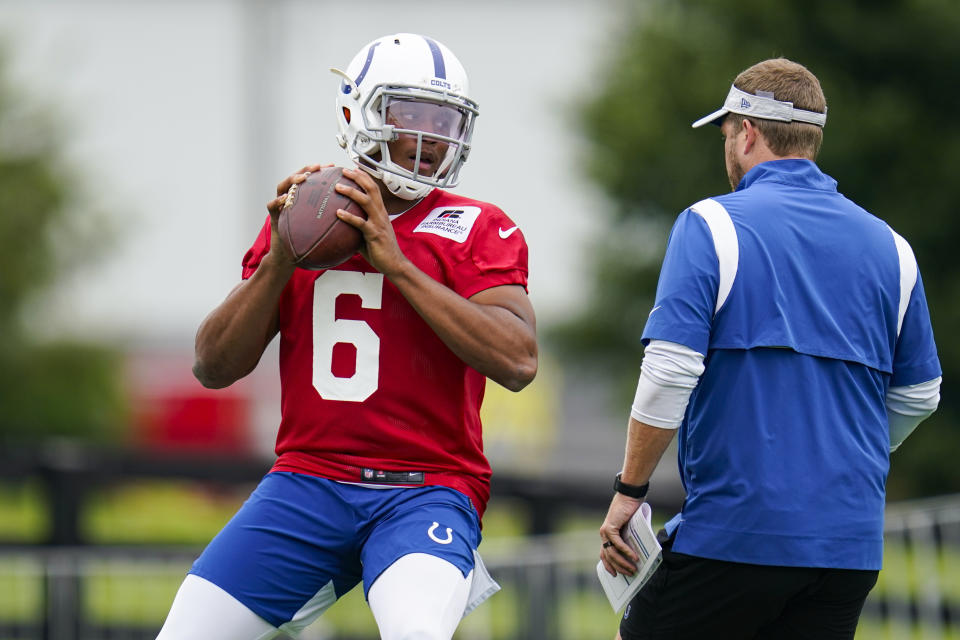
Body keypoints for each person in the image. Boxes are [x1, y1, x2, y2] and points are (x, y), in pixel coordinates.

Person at [156, 33, 537, 640]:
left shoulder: (475, 227)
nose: (432, 135)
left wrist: (399, 265)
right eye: (412, 114)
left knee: (416, 633)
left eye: (445, 119)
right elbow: (212, 366)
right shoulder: (307, 216)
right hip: (308, 480)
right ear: (357, 114)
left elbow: (519, 361)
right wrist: (281, 258)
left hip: (426, 488)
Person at [598, 58, 941, 639]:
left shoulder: (710, 223)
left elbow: (669, 371)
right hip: (846, 549)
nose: (727, 144)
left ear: (748, 132)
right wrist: (835, 458)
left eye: (727, 132)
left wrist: (629, 492)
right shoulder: (894, 248)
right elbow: (919, 395)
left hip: (735, 535)